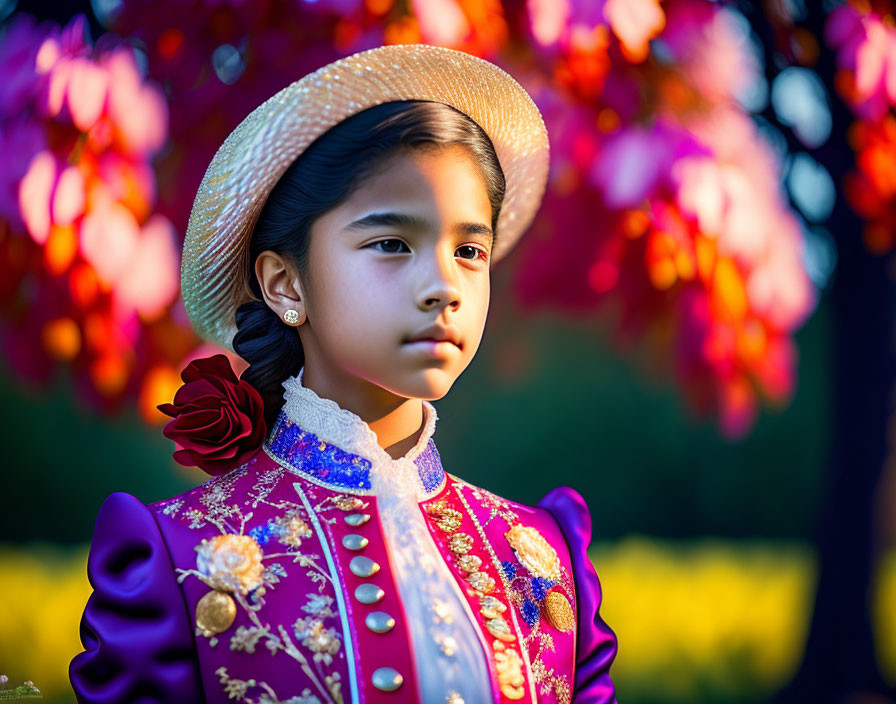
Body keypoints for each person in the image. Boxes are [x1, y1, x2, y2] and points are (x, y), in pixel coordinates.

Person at [69, 43, 617, 704]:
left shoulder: (544, 555)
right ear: (285, 282)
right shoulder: (180, 557)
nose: (446, 285)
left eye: (470, 250)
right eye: (392, 243)